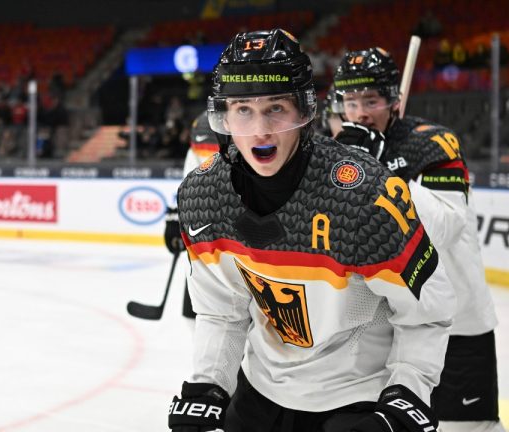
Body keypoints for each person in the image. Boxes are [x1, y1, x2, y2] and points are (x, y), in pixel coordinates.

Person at [168, 28, 455, 432]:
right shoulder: (203, 195)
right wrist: (208, 386)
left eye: (275, 108)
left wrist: (406, 394)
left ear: (304, 111)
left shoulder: (362, 194)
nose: (260, 130)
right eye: (243, 110)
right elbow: (222, 311)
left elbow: (426, 312)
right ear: (223, 116)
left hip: (355, 398)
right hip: (260, 390)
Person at [331, 47, 504, 432]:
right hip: (388, 324)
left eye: (371, 100)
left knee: (469, 427)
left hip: (455, 318)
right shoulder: (341, 151)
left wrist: (379, 173)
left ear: (394, 100)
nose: (360, 112)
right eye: (351, 101)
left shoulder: (433, 143)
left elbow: (447, 225)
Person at [163, 111, 221, 319]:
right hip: (204, 242)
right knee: (195, 314)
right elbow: (189, 184)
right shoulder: (200, 130)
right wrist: (176, 218)